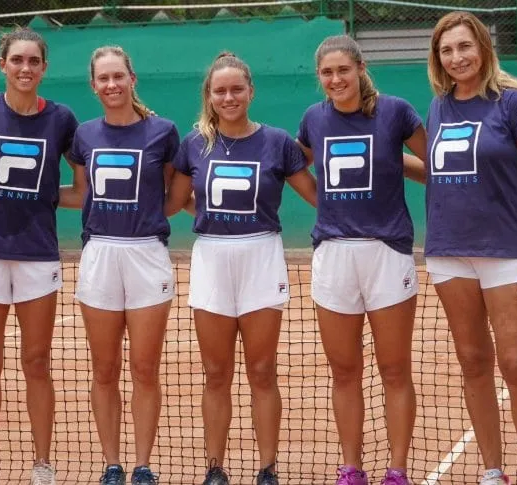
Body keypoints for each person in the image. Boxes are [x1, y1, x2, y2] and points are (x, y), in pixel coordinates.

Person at [165, 52, 317, 485]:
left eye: (236, 89)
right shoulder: (193, 145)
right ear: (209, 97)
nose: (228, 97)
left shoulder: (278, 142)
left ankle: (267, 467)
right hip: (211, 257)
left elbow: (319, 196)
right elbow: (174, 202)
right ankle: (215, 467)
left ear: (251, 91)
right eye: (220, 91)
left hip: (261, 256)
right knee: (216, 373)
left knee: (263, 369)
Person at [425, 11, 517, 485]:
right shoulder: (438, 107)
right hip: (448, 251)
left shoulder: (515, 103)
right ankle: (492, 471)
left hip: (507, 250)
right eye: (447, 50)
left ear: (482, 47)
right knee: (472, 360)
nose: (457, 57)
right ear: (437, 58)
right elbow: (441, 170)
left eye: (464, 46)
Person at [296, 34, 428, 485]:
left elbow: (434, 164)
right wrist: (325, 203)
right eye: (327, 73)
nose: (336, 79)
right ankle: (351, 468)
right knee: (345, 370)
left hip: (388, 253)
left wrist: (395, 162)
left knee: (394, 369)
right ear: (320, 77)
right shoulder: (313, 118)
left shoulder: (396, 111)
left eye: (343, 70)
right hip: (333, 256)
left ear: (360, 68)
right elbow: (299, 166)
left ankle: (398, 470)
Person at [0, 27, 79, 485]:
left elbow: (81, 190)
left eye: (33, 61)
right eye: (17, 60)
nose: (25, 68)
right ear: (2, 65)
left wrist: (44, 199)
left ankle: (42, 463)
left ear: (44, 68)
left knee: (37, 361)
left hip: (38, 256)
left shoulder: (62, 119)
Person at [63, 45, 180, 485]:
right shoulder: (84, 136)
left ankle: (143, 464)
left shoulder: (163, 131)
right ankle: (112, 464)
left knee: (145, 369)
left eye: (118, 76)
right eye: (103, 79)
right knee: (104, 369)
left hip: (148, 253)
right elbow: (78, 193)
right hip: (99, 256)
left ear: (133, 78)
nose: (111, 85)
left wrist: (147, 220)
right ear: (94, 86)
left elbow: (174, 194)